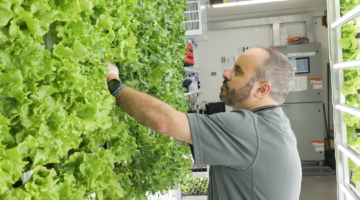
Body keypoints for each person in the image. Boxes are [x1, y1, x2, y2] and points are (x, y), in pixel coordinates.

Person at [106, 47, 302, 200]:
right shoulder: (275, 126)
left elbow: (164, 122)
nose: (226, 73)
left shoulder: (251, 128)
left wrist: (113, 83)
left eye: (238, 71)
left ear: (262, 90)